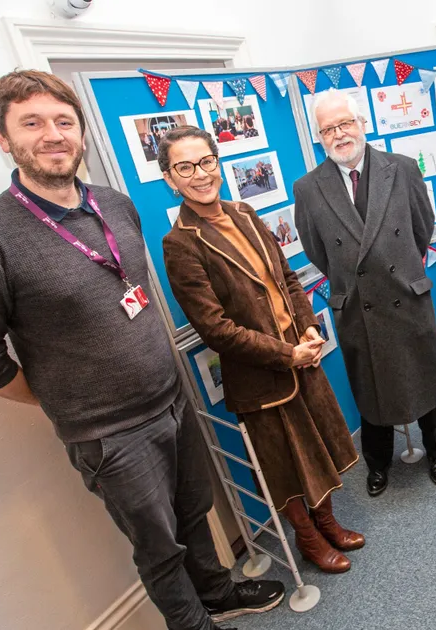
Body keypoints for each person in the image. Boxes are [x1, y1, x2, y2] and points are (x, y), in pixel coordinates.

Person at [0, 70, 284, 630]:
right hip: (109, 435)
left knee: (195, 513)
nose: (52, 135)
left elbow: (133, 293)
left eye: (63, 121)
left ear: (80, 133)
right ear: (3, 139)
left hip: (171, 401)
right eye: (31, 123)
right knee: (158, 546)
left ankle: (220, 593)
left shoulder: (115, 204)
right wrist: (62, 399)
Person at [159, 127, 364, 575]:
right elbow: (216, 328)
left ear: (218, 162)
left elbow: (287, 279)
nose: (200, 174)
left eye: (206, 161)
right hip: (260, 377)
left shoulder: (246, 213)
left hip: (301, 357)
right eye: (185, 167)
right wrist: (286, 354)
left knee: (318, 448)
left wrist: (308, 328)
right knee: (283, 465)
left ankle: (327, 521)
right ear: (170, 178)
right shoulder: (180, 244)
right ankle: (307, 538)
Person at [293, 89, 436, 497]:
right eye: (329, 128)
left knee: (424, 381)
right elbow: (317, 249)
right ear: (319, 136)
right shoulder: (308, 188)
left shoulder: (401, 168)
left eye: (346, 123)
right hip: (357, 307)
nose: (339, 134)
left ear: (362, 124)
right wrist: (353, 276)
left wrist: (395, 267)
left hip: (405, 295)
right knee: (369, 388)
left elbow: (422, 228)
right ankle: (378, 464)